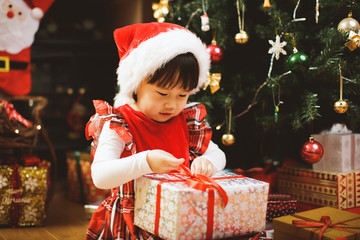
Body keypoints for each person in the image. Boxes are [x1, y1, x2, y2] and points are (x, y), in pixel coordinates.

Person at [85, 22, 226, 240]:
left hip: (179, 217)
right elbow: (100, 177)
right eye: (162, 94)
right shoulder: (120, 123)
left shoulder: (186, 120)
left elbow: (218, 154)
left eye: (182, 95)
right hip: (133, 221)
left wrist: (208, 163)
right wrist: (146, 161)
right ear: (137, 84)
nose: (172, 105)